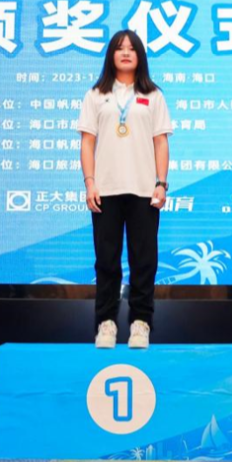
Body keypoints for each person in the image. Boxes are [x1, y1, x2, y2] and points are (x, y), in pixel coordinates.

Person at [77, 30, 172, 349]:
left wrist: (161, 182)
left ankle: (141, 323)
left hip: (144, 190)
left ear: (140, 55)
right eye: (120, 48)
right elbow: (87, 142)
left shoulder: (153, 95)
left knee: (144, 261)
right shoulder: (96, 95)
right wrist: (90, 182)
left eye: (132, 48)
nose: (126, 53)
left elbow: (161, 142)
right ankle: (105, 324)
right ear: (111, 55)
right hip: (105, 190)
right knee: (107, 260)